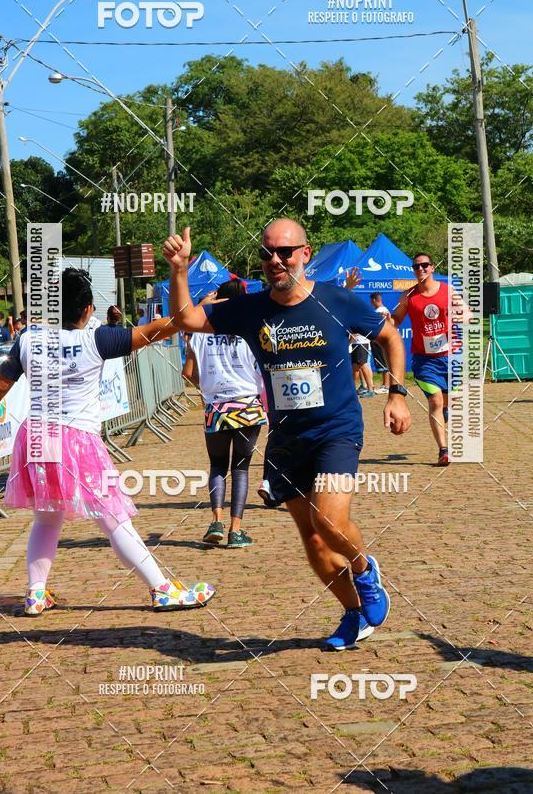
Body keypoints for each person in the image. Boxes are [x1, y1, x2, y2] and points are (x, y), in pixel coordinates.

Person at [163, 221, 410, 651]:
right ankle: (353, 614)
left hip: (336, 430)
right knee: (312, 538)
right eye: (267, 253)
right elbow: (186, 319)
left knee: (328, 518)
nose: (275, 260)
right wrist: (179, 269)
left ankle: (364, 569)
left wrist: (397, 393)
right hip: (285, 439)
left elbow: (389, 336)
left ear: (305, 253)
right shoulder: (251, 308)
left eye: (285, 252)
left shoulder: (338, 301)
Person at [0, 268, 215, 615]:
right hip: (77, 441)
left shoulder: (27, 339)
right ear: (87, 309)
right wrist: (200, 310)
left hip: (35, 437)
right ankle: (162, 589)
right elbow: (160, 330)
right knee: (115, 518)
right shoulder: (97, 339)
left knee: (46, 518)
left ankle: (35, 594)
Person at [182, 280, 267, 548]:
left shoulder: (200, 334)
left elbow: (189, 373)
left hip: (216, 407)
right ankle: (236, 530)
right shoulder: (251, 330)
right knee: (240, 468)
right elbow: (262, 371)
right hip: (247, 406)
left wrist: (207, 389)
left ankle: (216, 521)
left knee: (217, 465)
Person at [392, 253, 464, 467]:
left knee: (448, 401)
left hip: (451, 357)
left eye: (424, 265)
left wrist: (463, 316)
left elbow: (465, 312)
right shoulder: (408, 296)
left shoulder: (448, 291)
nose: (420, 269)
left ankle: (445, 411)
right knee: (435, 400)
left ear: (432, 268)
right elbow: (396, 319)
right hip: (424, 361)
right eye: (416, 266)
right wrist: (389, 320)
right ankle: (443, 450)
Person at [369, 293, 392, 394]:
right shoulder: (383, 310)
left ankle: (386, 386)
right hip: (379, 340)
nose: (371, 303)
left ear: (374, 300)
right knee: (383, 362)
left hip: (380, 340)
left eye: (371, 301)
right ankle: (385, 385)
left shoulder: (380, 311)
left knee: (383, 363)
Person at [349, 332, 375, 397]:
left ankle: (371, 390)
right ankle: (351, 390)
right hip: (356, 344)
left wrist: (348, 342)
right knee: (355, 367)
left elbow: (353, 333)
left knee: (363, 365)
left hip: (361, 343)